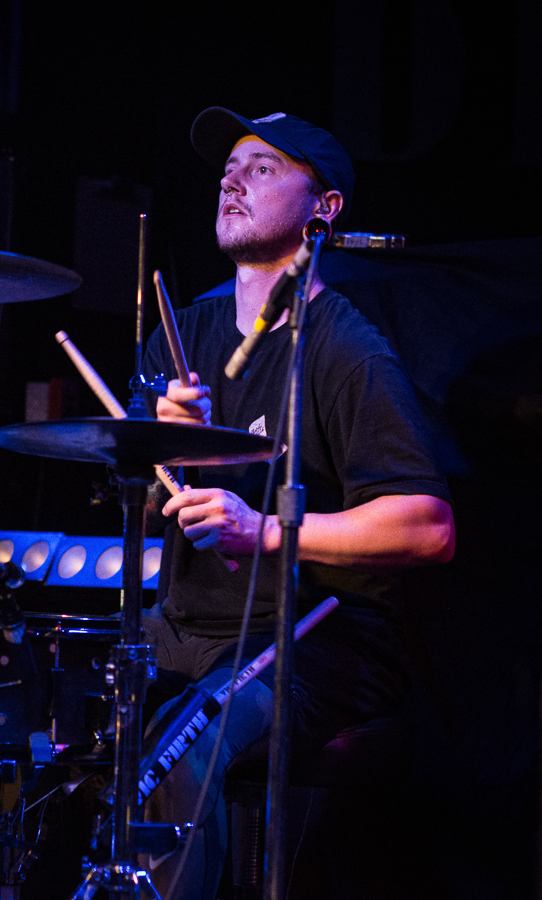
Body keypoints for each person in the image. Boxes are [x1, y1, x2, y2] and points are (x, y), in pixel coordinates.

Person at [139, 107, 455, 899]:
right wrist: (163, 455)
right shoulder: (182, 335)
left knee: (183, 752)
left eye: (262, 168)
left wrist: (267, 530)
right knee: (56, 711)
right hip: (186, 628)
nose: (231, 181)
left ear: (325, 207)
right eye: (227, 170)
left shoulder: (347, 350)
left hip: (315, 637)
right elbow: (144, 508)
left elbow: (428, 527)